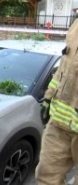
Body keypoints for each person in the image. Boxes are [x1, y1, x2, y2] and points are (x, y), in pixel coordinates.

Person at [35, 19, 78, 184]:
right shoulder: (75, 26)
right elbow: (64, 67)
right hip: (59, 124)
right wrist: (48, 97)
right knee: (46, 175)